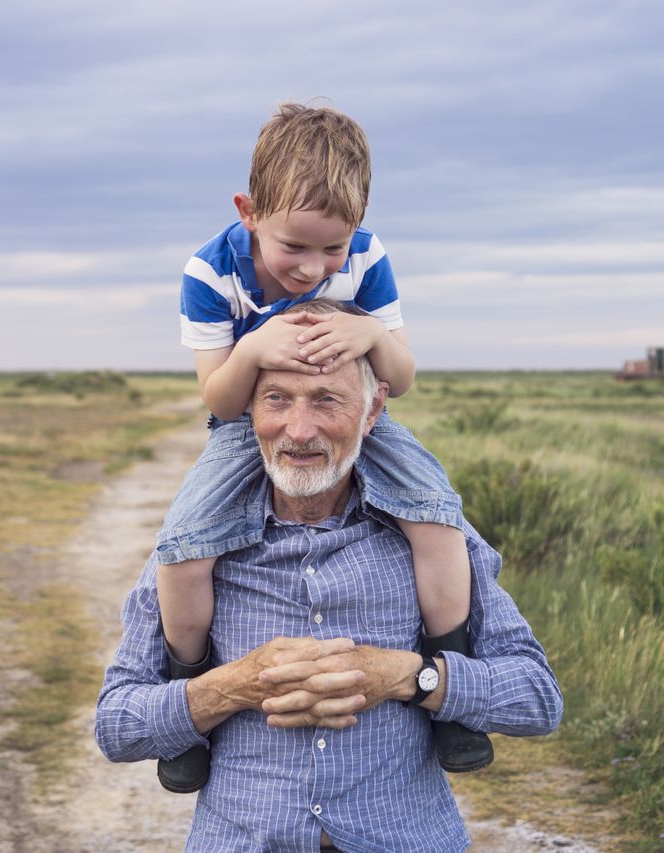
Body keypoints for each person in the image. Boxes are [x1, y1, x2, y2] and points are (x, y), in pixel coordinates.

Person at [96, 308, 563, 852]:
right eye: (276, 400)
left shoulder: (436, 535)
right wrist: (232, 686)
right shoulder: (193, 545)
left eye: (326, 400)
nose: (299, 430)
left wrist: (409, 678)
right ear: (247, 409)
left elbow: (537, 698)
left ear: (373, 409)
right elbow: (117, 725)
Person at [156, 102, 489, 792]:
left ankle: (451, 680)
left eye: (332, 248)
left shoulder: (368, 257)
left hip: (363, 413)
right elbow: (217, 398)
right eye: (295, 248)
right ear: (249, 211)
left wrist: (371, 337)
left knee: (437, 514)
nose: (314, 268)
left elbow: (403, 378)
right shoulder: (209, 272)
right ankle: (187, 696)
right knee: (185, 541)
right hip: (247, 424)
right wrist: (254, 349)